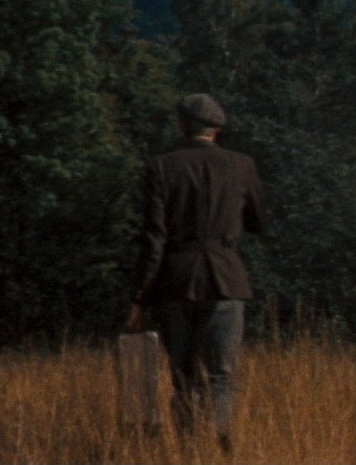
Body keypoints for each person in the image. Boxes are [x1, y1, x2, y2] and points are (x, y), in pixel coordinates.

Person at [126, 93, 265, 453]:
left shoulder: (162, 167)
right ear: (217, 129)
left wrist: (139, 295)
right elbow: (258, 221)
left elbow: (153, 238)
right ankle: (220, 443)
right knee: (221, 373)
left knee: (184, 375)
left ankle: (189, 449)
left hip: (175, 280)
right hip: (226, 279)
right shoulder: (242, 165)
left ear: (183, 125)